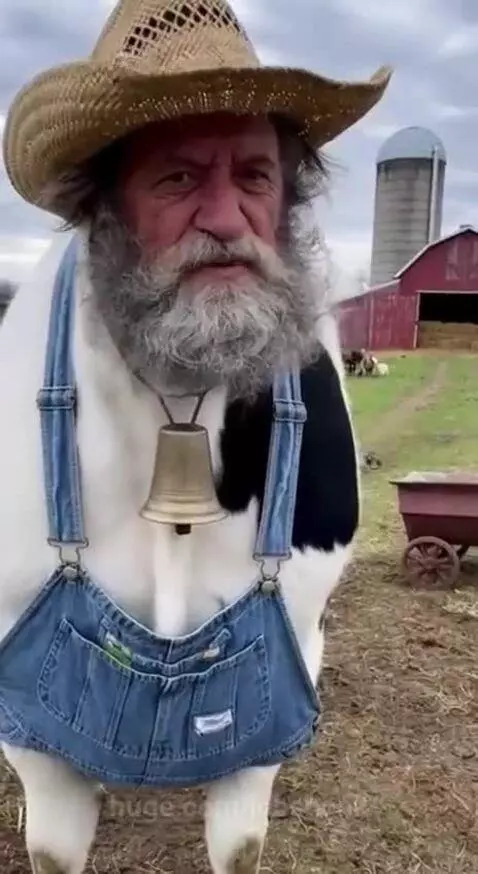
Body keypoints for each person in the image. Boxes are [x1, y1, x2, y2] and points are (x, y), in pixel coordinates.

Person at [0, 1, 392, 872]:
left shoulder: (306, 348)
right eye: (178, 179)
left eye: (255, 176)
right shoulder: (21, 378)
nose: (226, 216)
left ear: (288, 196)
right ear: (101, 209)